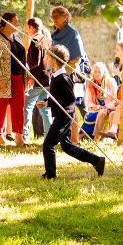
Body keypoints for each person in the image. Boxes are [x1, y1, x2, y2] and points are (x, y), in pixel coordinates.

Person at [41, 45, 106, 179]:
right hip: (61, 115)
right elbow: (57, 96)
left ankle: (50, 175)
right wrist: (47, 102)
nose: (45, 59)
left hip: (64, 116)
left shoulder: (63, 77)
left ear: (54, 60)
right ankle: (97, 161)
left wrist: (55, 105)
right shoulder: (55, 76)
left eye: (48, 57)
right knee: (67, 147)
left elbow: (70, 98)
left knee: (48, 144)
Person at [0, 14, 27, 146]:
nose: (18, 24)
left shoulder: (17, 38)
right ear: (7, 22)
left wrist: (27, 74)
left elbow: (22, 58)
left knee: (18, 107)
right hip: (4, 78)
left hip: (18, 78)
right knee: (0, 107)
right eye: (16, 21)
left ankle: (19, 136)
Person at [23, 17, 53, 140]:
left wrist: (31, 76)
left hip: (38, 80)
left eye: (27, 28)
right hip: (47, 79)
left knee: (27, 106)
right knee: (44, 108)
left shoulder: (36, 40)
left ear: (31, 27)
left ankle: (24, 134)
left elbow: (34, 62)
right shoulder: (48, 40)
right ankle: (49, 136)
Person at [47, 6, 86, 71]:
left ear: (65, 17)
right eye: (52, 17)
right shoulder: (53, 36)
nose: (54, 19)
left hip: (71, 73)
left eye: (56, 16)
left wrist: (64, 72)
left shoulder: (73, 33)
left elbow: (77, 59)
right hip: (56, 73)